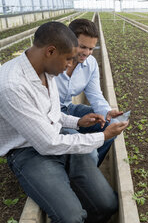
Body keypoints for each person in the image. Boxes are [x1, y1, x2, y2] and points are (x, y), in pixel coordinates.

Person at [0, 21, 128, 223]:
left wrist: (78, 123)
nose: (71, 65)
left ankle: (74, 191)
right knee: (72, 217)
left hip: (59, 137)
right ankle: (67, 196)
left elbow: (52, 114)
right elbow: (48, 143)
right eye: (68, 59)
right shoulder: (11, 86)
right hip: (29, 152)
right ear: (51, 51)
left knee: (107, 205)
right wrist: (102, 136)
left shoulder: (46, 68)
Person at [55, 19, 123, 167]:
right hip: (51, 115)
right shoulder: (52, 62)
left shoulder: (90, 64)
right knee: (77, 142)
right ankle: (80, 171)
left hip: (69, 108)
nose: (87, 53)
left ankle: (89, 171)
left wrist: (108, 113)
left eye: (91, 49)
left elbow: (95, 94)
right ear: (68, 40)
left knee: (110, 126)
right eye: (82, 47)